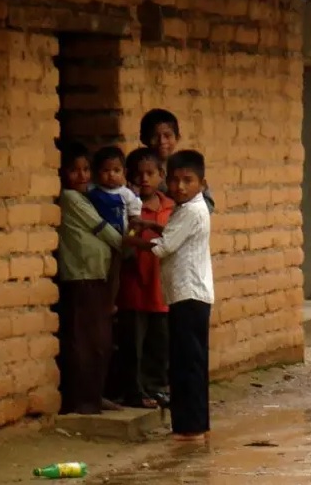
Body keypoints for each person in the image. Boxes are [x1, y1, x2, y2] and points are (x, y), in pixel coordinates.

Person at [128, 150, 214, 442]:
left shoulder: (189, 210)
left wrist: (128, 241)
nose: (179, 186)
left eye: (187, 181)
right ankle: (197, 424)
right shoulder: (190, 207)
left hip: (187, 296)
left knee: (185, 364)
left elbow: (163, 248)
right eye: (175, 180)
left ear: (202, 183)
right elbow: (174, 234)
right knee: (192, 362)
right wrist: (153, 226)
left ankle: (189, 428)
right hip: (193, 294)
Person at [54, 140, 127, 415]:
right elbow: (104, 230)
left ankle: (95, 395)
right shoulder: (71, 199)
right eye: (74, 170)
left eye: (86, 169)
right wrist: (127, 244)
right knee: (84, 341)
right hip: (82, 277)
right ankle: (82, 400)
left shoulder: (89, 196)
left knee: (101, 342)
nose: (82, 176)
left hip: (98, 276)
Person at [112, 147, 174, 409]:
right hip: (134, 285)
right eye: (139, 175)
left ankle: (157, 388)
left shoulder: (171, 207)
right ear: (129, 177)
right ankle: (134, 392)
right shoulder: (127, 208)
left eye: (151, 173)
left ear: (161, 175)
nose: (145, 179)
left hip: (162, 287)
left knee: (159, 343)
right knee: (132, 344)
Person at [139, 109, 215, 213]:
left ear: (177, 137)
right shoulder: (138, 168)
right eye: (155, 136)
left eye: (167, 136)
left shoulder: (186, 165)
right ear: (143, 139)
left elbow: (208, 204)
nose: (162, 141)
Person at [85, 145, 142, 235]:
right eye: (106, 170)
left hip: (120, 239)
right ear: (97, 172)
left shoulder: (127, 194)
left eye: (116, 170)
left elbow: (135, 217)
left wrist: (132, 233)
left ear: (124, 172)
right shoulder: (91, 190)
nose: (111, 174)